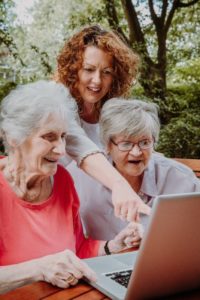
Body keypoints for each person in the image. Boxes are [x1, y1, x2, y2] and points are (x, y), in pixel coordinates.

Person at [0, 81, 143, 294]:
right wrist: (39, 269)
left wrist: (113, 245)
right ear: (14, 138)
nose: (61, 150)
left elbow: (78, 249)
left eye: (64, 137)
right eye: (49, 137)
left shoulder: (62, 180)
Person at [68, 98, 200, 240]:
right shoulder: (79, 176)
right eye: (126, 144)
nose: (136, 152)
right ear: (107, 145)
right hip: (102, 258)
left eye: (144, 142)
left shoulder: (180, 178)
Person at [55, 24, 150, 220]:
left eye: (106, 72)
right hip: (61, 209)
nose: (97, 81)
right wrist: (119, 185)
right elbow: (79, 145)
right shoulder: (59, 103)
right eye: (88, 70)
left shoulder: (111, 111)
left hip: (101, 210)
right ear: (73, 70)